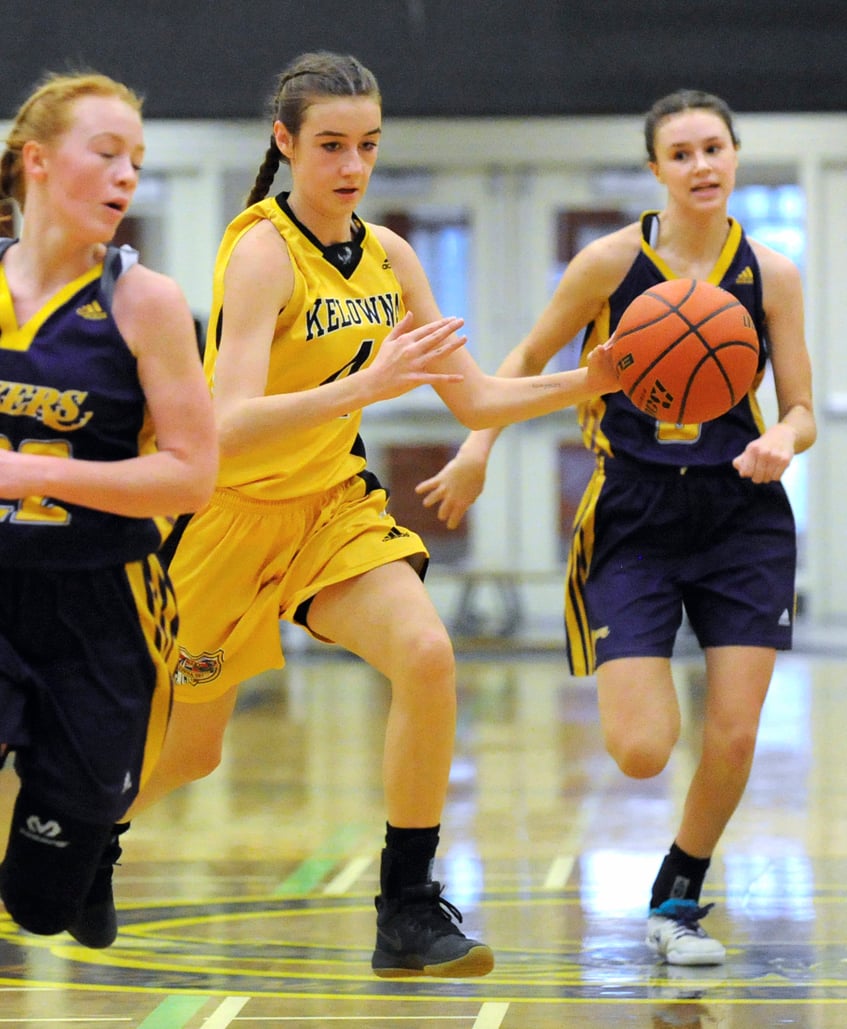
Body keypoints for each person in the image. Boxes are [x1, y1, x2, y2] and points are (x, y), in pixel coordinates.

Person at [91, 50, 620, 978]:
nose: (351, 166)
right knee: (187, 754)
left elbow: (474, 400)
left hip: (330, 507)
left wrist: (590, 378)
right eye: (330, 144)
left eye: (367, 145)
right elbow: (227, 423)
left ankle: (407, 907)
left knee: (425, 653)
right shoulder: (260, 250)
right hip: (227, 515)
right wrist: (368, 385)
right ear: (286, 142)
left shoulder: (389, 256)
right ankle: (80, 842)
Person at [417, 89, 816, 966]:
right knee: (640, 751)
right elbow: (523, 360)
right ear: (654, 170)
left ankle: (677, 893)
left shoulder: (770, 274)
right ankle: (664, 858)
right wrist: (479, 443)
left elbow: (800, 408)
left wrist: (780, 442)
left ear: (735, 156)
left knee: (738, 729)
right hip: (631, 512)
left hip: (740, 513)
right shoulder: (608, 263)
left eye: (714, 148)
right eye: (681, 154)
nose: (701, 166)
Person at [0, 73, 217, 944]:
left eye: (138, 160)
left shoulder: (145, 303)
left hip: (103, 600)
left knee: (41, 903)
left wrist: (27, 474)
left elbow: (191, 477)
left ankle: (84, 860)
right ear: (38, 161)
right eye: (108, 153)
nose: (128, 175)